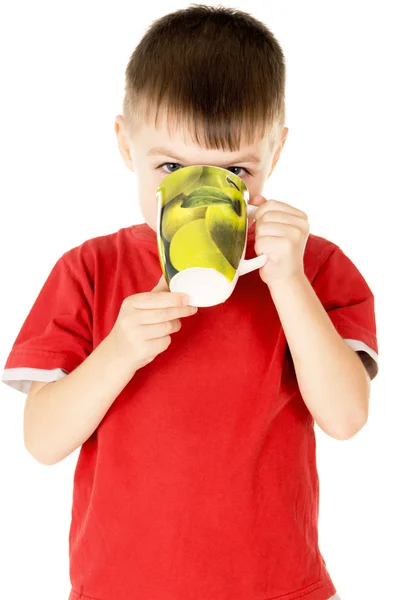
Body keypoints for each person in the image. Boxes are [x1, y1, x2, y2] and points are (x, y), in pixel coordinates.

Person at [1, 5, 378, 600]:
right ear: (126, 144)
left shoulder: (314, 265)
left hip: (278, 589)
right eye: (172, 167)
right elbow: (42, 441)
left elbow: (346, 417)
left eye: (235, 171)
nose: (201, 195)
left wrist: (289, 283)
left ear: (275, 153)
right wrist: (119, 350)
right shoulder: (89, 270)